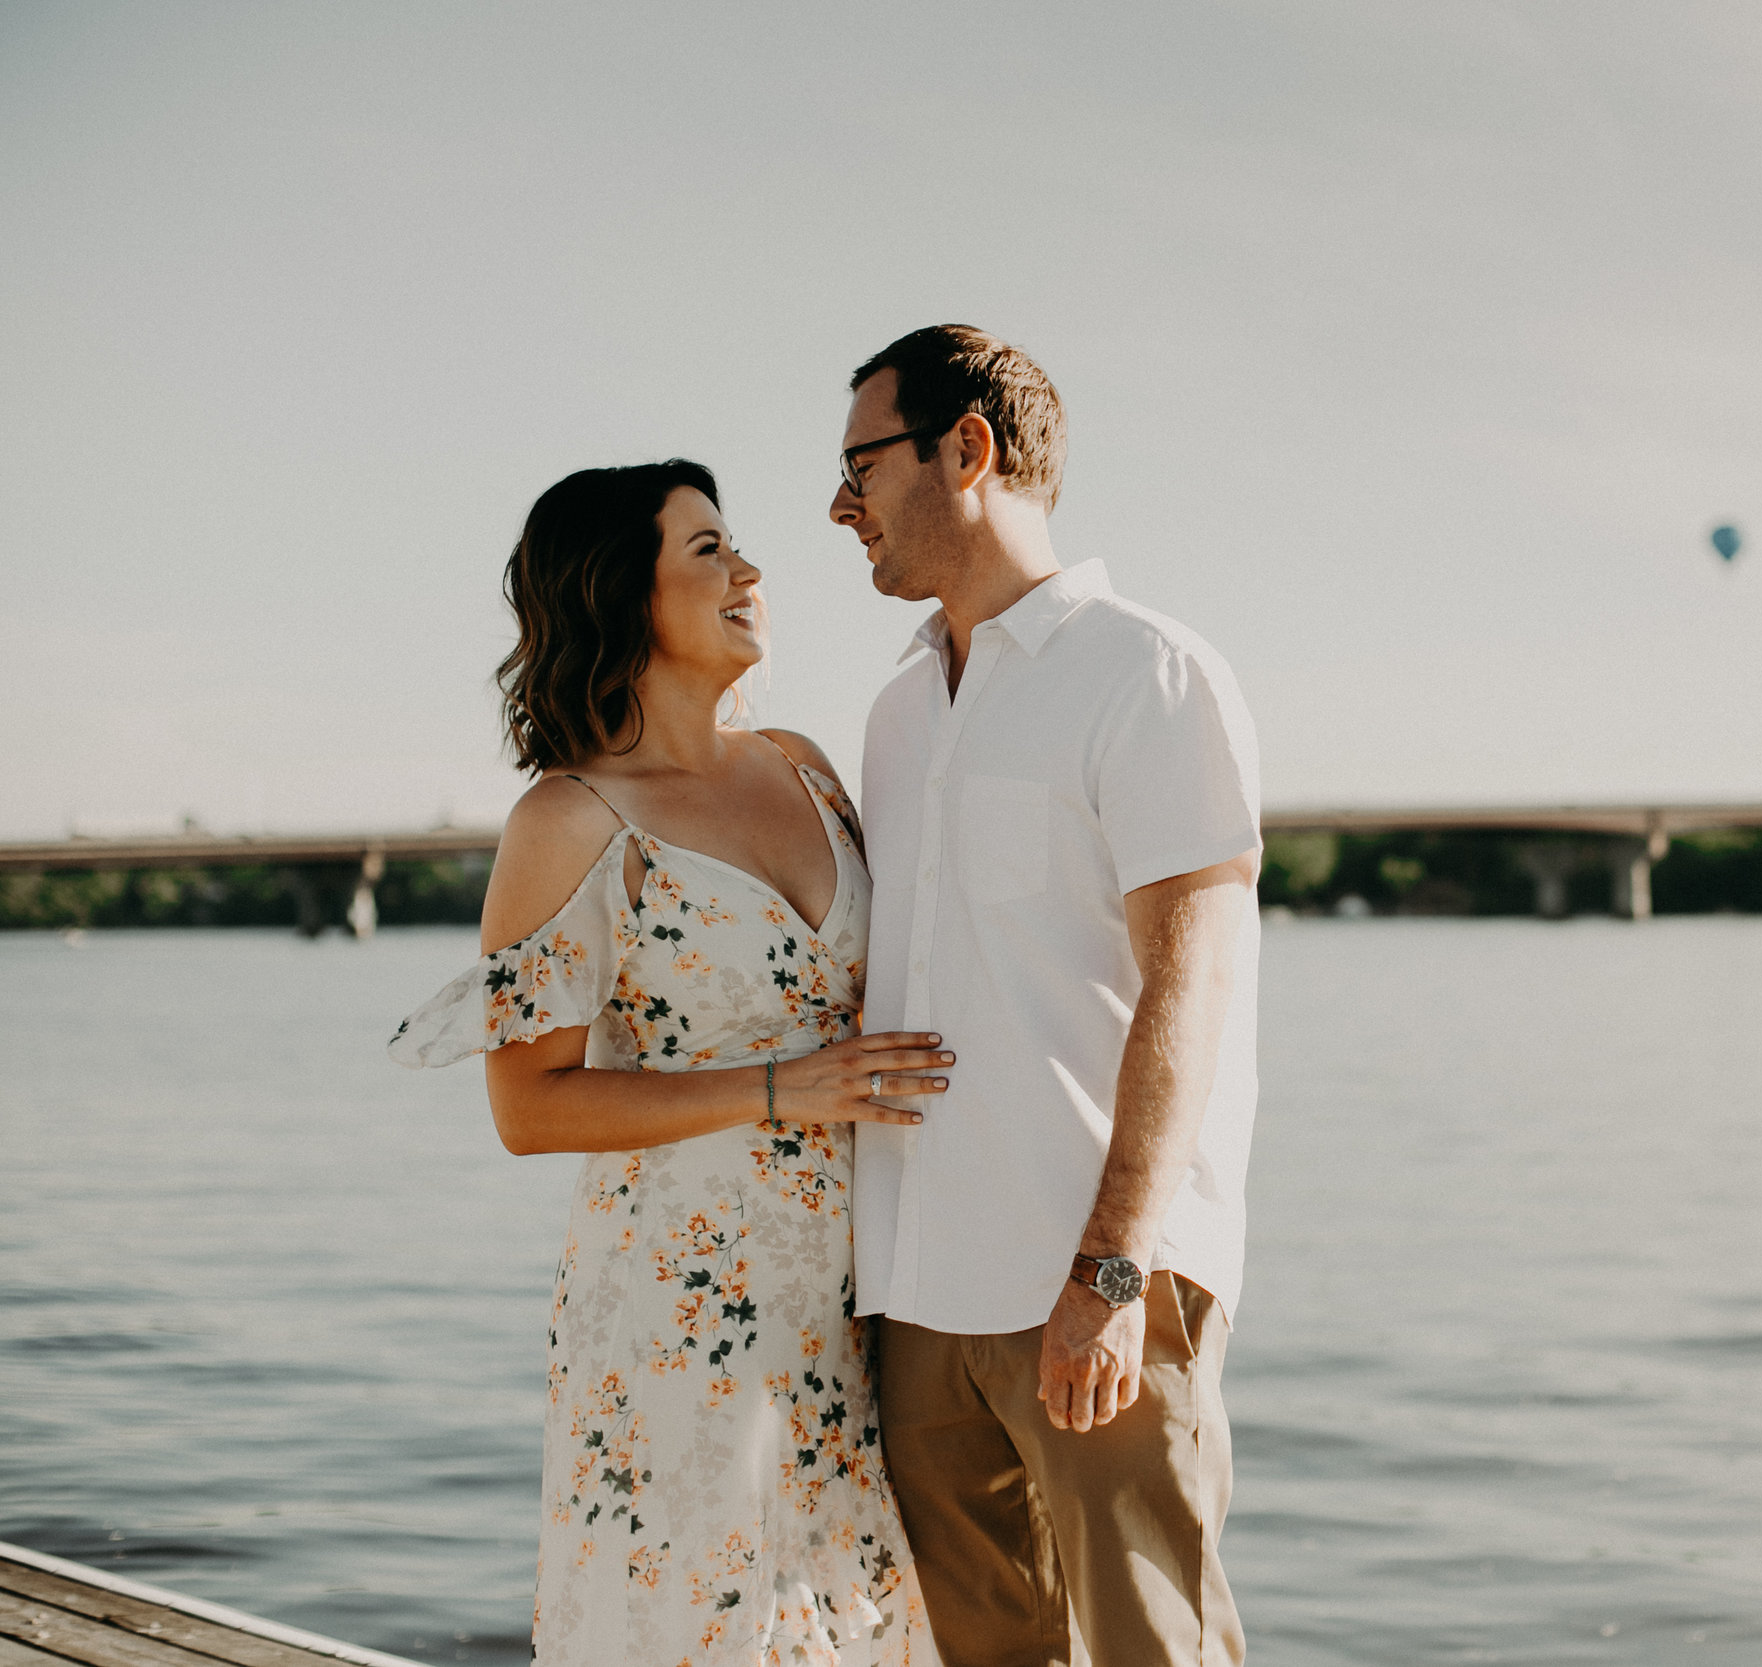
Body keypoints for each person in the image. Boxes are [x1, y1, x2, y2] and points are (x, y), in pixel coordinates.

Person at [389, 461, 945, 1666]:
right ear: (621, 594)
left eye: (734, 545)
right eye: (706, 550)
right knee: (696, 1625)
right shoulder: (571, 819)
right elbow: (527, 1107)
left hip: (848, 1297)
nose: (749, 571)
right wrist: (778, 1087)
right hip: (678, 1312)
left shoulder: (803, 764)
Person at [831, 325, 1262, 1667]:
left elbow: (1193, 982)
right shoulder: (899, 711)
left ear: (968, 450)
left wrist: (1112, 1266)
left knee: (1155, 1647)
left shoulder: (1149, 671)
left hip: (1094, 1277)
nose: (838, 506)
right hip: (918, 1294)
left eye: (862, 464)